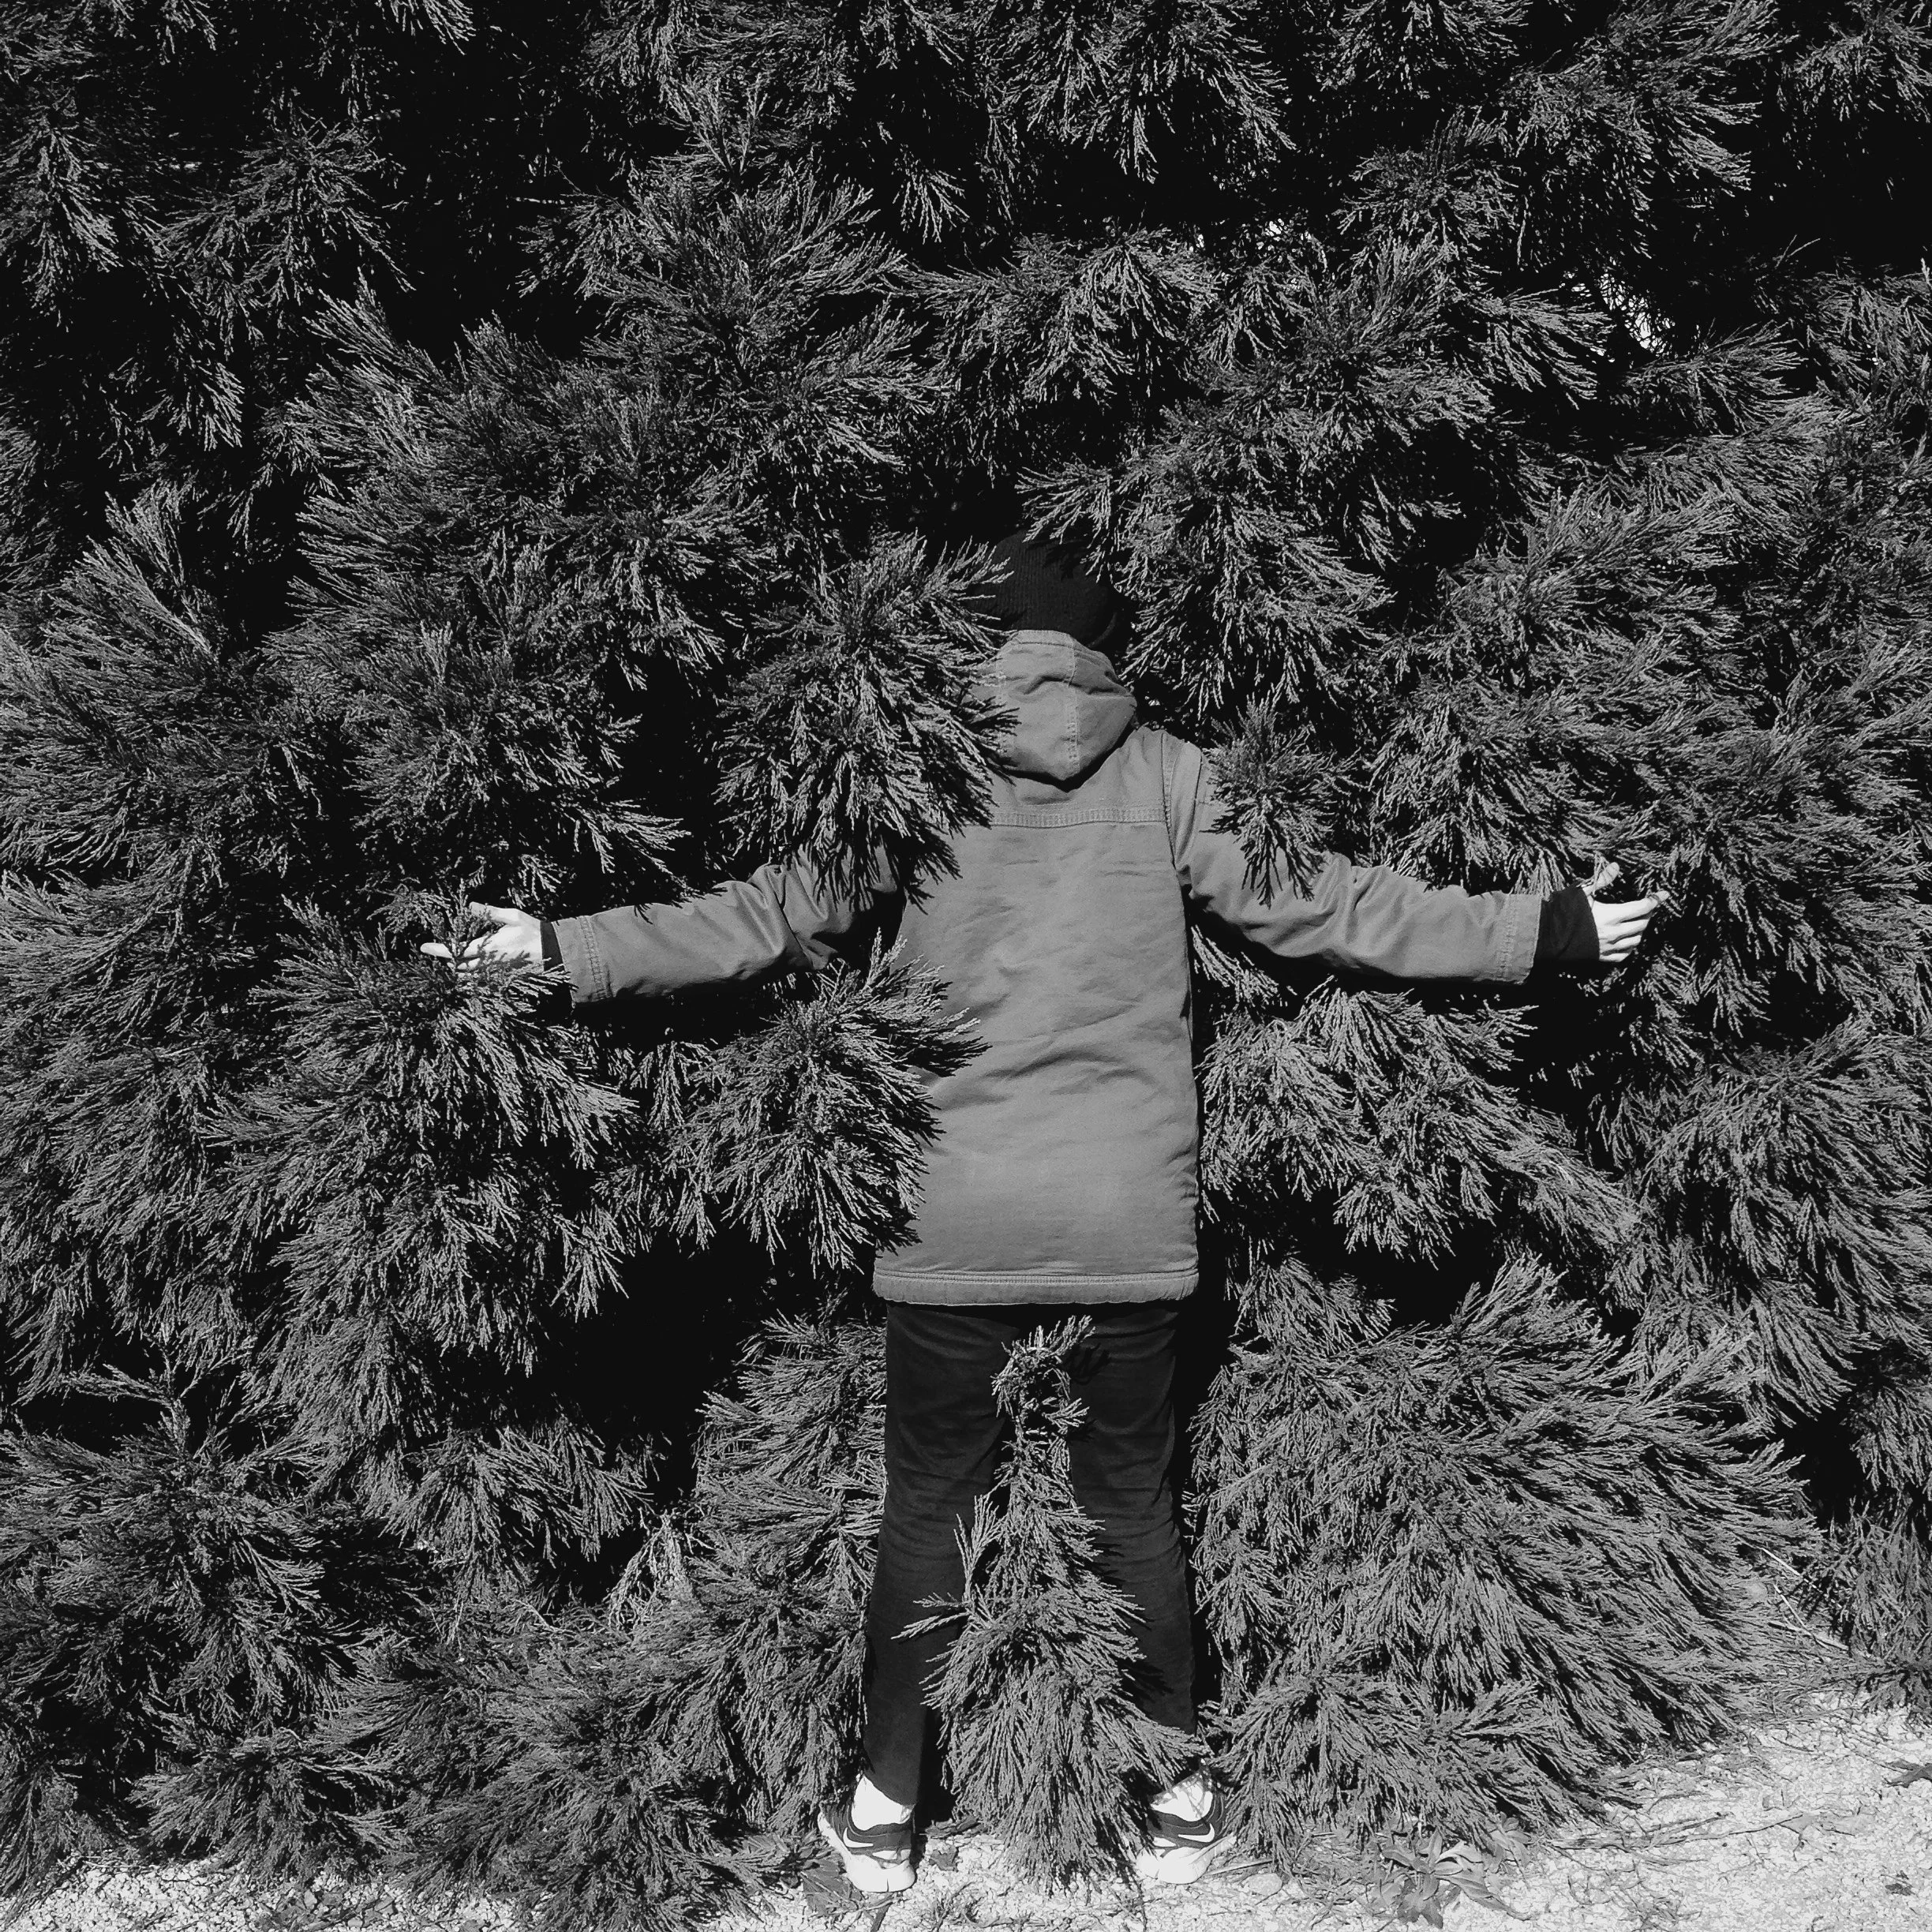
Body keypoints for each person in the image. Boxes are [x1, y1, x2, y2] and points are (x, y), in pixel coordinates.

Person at [423, 534, 1659, 1895]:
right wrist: (1544, 930)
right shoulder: (1169, 773)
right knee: (1133, 1506)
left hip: (951, 1223)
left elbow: (759, 920)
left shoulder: (907, 785)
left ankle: (886, 1811)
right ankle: (1179, 1798)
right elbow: (1334, 910)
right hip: (1129, 1222)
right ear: (1099, 650)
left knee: (925, 1519)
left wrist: (560, 947)